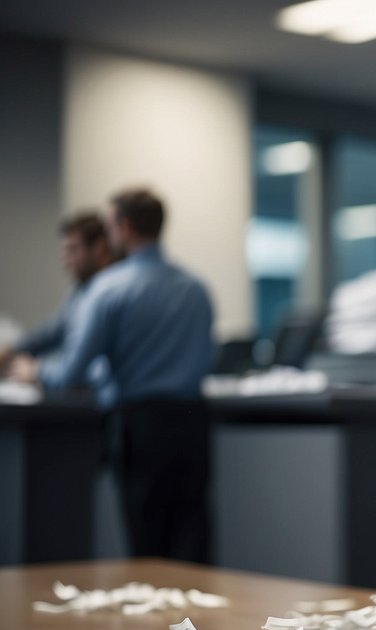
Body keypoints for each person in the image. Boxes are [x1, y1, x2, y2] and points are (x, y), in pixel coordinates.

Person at [8, 188, 216, 563]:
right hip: (193, 424)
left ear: (125, 227)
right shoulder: (195, 288)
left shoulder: (110, 288)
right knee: (192, 537)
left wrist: (34, 370)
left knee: (148, 544)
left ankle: (161, 624)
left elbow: (72, 370)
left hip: (141, 425)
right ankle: (199, 624)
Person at [0, 213, 116, 395]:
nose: (65, 260)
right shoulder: (82, 289)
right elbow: (53, 330)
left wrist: (37, 370)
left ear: (99, 248)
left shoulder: (111, 292)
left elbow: (80, 369)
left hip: (96, 397)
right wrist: (10, 351)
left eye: (72, 250)